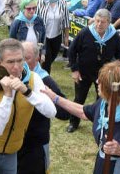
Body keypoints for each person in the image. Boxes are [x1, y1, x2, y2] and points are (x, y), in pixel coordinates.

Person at [42, 61, 120, 173]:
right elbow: (83, 112)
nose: (97, 82)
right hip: (104, 164)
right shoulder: (106, 102)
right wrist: (55, 98)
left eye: (101, 81)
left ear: (113, 89)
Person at [0, 39, 56, 173]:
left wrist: (27, 92)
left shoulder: (34, 79)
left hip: (12, 151)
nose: (16, 67)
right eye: (10, 62)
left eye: (20, 60)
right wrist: (7, 95)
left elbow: (51, 112)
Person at [67, 9, 120, 133]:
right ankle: (73, 122)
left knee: (102, 100)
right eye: (97, 21)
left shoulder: (114, 36)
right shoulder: (85, 33)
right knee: (79, 98)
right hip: (83, 72)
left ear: (109, 22)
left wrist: (116, 70)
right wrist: (75, 70)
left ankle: (99, 124)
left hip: (104, 74)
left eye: (103, 22)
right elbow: (72, 51)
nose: (99, 24)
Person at [17, 41, 69, 174]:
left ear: (38, 58)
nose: (21, 63)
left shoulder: (44, 80)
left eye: (26, 58)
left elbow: (64, 113)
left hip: (35, 144)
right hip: (14, 141)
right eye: (19, 58)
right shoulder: (13, 75)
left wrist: (51, 99)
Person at [36, 0, 70, 73]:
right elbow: (36, 19)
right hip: (44, 37)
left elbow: (66, 21)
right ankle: (46, 80)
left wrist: (66, 37)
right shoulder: (41, 2)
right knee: (47, 60)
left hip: (57, 36)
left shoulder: (62, 3)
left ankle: (40, 72)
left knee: (51, 59)